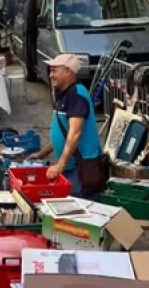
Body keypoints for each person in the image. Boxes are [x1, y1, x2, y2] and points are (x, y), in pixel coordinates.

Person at [29, 54, 101, 198]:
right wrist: (41, 154)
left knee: (79, 208)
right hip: (71, 166)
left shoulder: (76, 95)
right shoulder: (66, 94)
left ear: (68, 71)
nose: (50, 75)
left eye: (54, 70)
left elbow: (75, 133)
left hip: (80, 168)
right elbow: (62, 132)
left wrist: (60, 165)